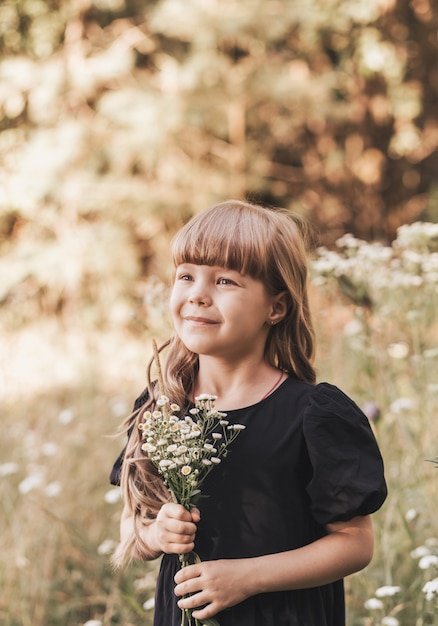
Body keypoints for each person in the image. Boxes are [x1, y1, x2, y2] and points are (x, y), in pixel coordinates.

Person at [110, 199, 387, 626]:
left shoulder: (313, 414)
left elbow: (354, 543)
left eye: (224, 281)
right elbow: (134, 527)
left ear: (276, 307)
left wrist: (248, 577)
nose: (198, 294)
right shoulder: (159, 409)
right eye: (186, 276)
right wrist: (156, 533)